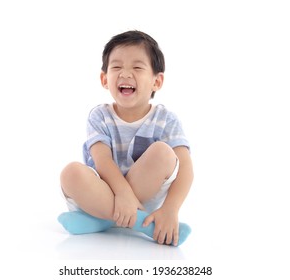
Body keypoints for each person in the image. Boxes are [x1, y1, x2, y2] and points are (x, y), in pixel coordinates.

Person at [58, 30, 193, 246]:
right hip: (102, 195)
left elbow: (185, 168)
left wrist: (170, 209)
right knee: (70, 173)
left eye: (137, 67)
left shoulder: (166, 119)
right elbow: (102, 161)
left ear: (157, 81)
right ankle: (142, 225)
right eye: (117, 67)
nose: (125, 74)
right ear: (104, 79)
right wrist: (121, 194)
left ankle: (102, 221)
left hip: (143, 200)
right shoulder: (99, 115)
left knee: (163, 153)